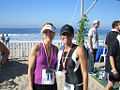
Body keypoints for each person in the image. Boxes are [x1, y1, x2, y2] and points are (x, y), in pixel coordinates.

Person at [28, 23, 58, 90]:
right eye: (45, 32)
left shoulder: (55, 49)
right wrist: (30, 87)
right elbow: (30, 70)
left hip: (52, 83)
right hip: (39, 85)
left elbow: (57, 67)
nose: (48, 34)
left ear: (54, 33)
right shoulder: (36, 48)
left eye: (50, 32)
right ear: (42, 34)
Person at [57, 24, 88, 90]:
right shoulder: (60, 50)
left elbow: (85, 72)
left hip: (77, 86)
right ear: (60, 36)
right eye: (64, 34)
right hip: (67, 86)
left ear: (73, 36)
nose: (66, 37)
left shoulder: (79, 50)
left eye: (69, 35)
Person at [104, 21, 120, 85]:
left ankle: (106, 82)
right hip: (115, 57)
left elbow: (105, 45)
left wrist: (110, 48)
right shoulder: (117, 36)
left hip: (109, 54)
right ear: (116, 26)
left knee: (108, 71)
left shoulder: (109, 34)